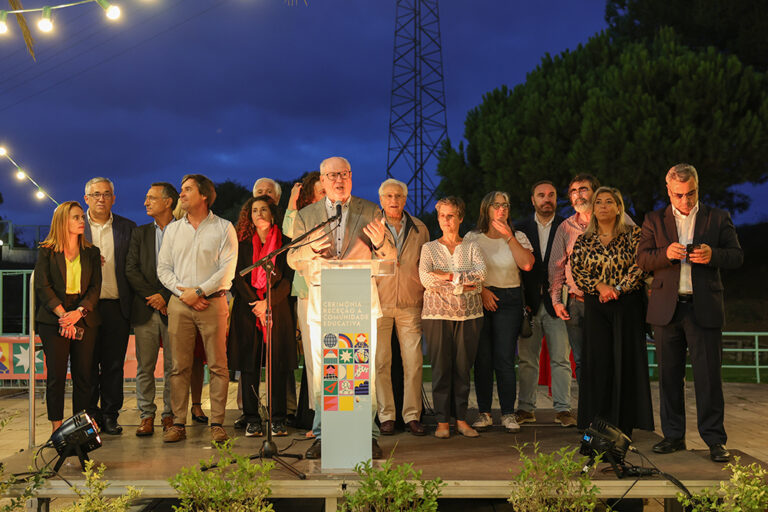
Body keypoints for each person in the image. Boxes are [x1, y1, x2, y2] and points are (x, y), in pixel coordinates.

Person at [287, 156, 395, 460]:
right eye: (332, 175)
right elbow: (292, 259)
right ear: (322, 179)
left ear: (351, 176)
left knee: (361, 373)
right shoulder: (307, 215)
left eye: (344, 174)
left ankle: (367, 434)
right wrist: (309, 248)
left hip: (359, 302)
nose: (339, 180)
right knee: (327, 374)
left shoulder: (371, 210)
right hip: (324, 304)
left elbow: (389, 257)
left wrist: (383, 242)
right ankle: (325, 435)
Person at [638, 164, 743, 463]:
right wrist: (665, 255)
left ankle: (714, 440)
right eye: (679, 195)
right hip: (666, 310)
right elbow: (643, 260)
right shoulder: (653, 220)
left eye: (691, 193)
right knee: (669, 378)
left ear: (698, 187)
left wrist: (713, 255)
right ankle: (673, 436)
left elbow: (737, 256)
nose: (685, 201)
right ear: (668, 192)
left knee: (709, 378)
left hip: (704, 309)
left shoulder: (718, 217)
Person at [158, 174, 238, 444]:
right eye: (181, 189)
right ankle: (178, 423)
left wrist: (200, 291)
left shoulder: (224, 228)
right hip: (180, 303)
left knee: (218, 365)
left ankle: (217, 423)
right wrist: (186, 293)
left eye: (188, 189)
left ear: (204, 195)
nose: (181, 194)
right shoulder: (173, 230)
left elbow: (227, 269)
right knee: (179, 366)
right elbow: (163, 270)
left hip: (213, 302)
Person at [570, 187, 653, 437]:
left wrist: (617, 288)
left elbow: (641, 265)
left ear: (618, 207)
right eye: (599, 202)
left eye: (609, 202)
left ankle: (624, 424)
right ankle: (597, 422)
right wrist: (600, 287)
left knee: (625, 362)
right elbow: (577, 270)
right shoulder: (584, 239)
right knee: (598, 363)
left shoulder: (634, 234)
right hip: (596, 306)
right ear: (593, 209)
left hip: (627, 305)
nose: (604, 206)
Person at [548, 174, 634, 384]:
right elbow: (556, 266)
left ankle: (612, 411)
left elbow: (636, 257)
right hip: (577, 303)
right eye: (573, 192)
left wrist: (621, 288)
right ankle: (590, 412)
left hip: (612, 302)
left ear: (596, 192)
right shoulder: (566, 227)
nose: (578, 195)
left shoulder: (620, 220)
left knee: (612, 359)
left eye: (583, 189)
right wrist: (557, 300)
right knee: (582, 361)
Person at [465, 191, 534, 433]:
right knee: (482, 359)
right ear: (486, 209)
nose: (502, 209)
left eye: (505, 205)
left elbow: (526, 264)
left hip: (510, 299)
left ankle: (508, 413)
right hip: (479, 297)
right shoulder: (472, 238)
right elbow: (465, 270)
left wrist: (509, 237)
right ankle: (484, 413)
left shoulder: (519, 236)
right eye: (496, 205)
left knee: (504, 359)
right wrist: (482, 291)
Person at [420, 196, 487, 439]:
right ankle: (441, 422)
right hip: (436, 315)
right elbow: (426, 279)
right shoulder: (428, 248)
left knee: (462, 368)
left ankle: (460, 419)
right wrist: (459, 281)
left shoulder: (471, 247)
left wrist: (445, 277)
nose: (446, 221)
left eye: (450, 216)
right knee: (440, 368)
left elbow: (480, 276)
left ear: (459, 218)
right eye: (441, 216)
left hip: (469, 316)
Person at [228, 196, 295, 437]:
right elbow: (236, 277)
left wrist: (268, 302)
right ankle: (252, 418)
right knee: (249, 366)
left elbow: (287, 280)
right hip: (248, 311)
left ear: (273, 214)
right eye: (254, 210)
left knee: (276, 366)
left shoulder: (285, 243)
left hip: (277, 310)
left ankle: (277, 419)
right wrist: (256, 304)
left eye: (263, 209)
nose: (259, 214)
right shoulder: (242, 244)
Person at [34, 201, 101, 434]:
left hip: (83, 314)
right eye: (76, 217)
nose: (82, 221)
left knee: (84, 374)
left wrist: (78, 313)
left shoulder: (92, 252)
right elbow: (43, 287)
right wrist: (64, 316)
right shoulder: (46, 250)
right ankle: (57, 430)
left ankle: (79, 429)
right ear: (63, 221)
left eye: (82, 217)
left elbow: (95, 288)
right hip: (54, 318)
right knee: (57, 375)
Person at [516, 181, 576, 428]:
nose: (546, 199)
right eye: (541, 195)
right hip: (528, 303)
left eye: (551, 194)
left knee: (561, 358)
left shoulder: (567, 226)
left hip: (558, 302)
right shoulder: (519, 228)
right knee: (527, 359)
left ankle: (563, 409)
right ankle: (525, 408)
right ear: (533, 200)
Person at [374, 178, 430, 436]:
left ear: (405, 199)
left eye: (398, 196)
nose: (393, 201)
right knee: (381, 362)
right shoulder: (371, 228)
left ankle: (412, 416)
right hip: (379, 303)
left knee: (414, 362)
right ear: (381, 200)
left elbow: (425, 266)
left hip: (410, 304)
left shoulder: (420, 228)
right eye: (388, 196)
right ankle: (386, 415)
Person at [83, 177, 136, 435]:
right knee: (88, 365)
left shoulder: (128, 227)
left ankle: (110, 416)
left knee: (114, 365)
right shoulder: (75, 226)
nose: (101, 199)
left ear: (113, 198)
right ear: (87, 199)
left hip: (117, 306)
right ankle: (90, 418)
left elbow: (133, 269)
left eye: (106, 194)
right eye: (95, 194)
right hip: (85, 309)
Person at [125, 182, 178, 436]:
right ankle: (146, 416)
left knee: (173, 368)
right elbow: (131, 269)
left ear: (168, 202)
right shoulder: (140, 233)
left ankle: (170, 416)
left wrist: (166, 297)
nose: (146, 203)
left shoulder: (184, 230)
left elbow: (187, 269)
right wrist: (153, 296)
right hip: (145, 309)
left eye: (151, 198)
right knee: (145, 367)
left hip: (174, 308)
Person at [283, 171, 325, 436]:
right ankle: (316, 419)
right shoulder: (304, 217)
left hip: (339, 293)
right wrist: (292, 201)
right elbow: (288, 230)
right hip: (307, 293)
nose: (325, 195)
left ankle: (340, 417)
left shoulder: (339, 214)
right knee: (313, 361)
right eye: (320, 192)